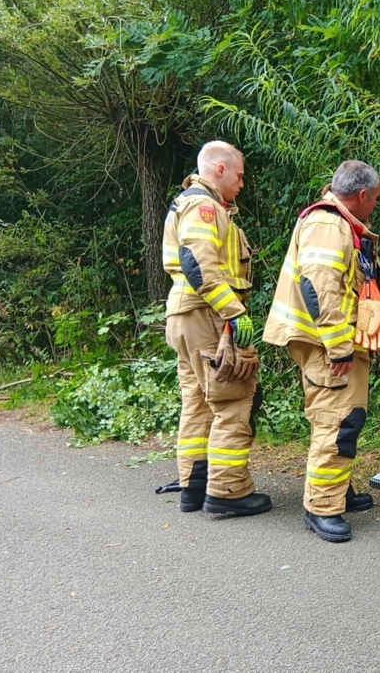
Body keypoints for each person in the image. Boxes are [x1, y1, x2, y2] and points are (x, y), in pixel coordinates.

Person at [263, 160, 380, 543]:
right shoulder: (329, 224)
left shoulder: (336, 222)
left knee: (340, 415)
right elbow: (319, 288)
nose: (375, 206)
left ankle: (337, 491)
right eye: (376, 199)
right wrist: (338, 346)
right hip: (326, 342)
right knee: (338, 420)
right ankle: (321, 507)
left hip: (329, 339)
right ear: (363, 195)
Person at [161, 140, 272, 515]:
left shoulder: (191, 203)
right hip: (206, 315)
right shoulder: (204, 206)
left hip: (182, 315)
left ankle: (193, 486)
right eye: (239, 176)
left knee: (197, 402)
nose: (242, 184)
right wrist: (233, 311)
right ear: (219, 170)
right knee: (232, 400)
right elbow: (197, 261)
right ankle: (227, 492)